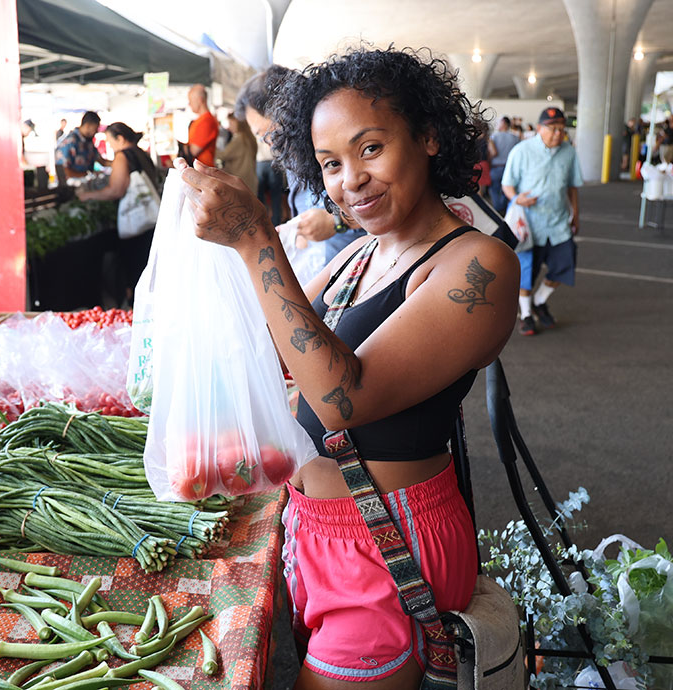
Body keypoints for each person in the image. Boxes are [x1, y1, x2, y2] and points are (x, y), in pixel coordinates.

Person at [176, 47, 519, 688]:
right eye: (331, 163)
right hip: (319, 530)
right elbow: (288, 353)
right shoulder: (359, 255)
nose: (350, 180)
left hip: (390, 548)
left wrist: (257, 240)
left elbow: (340, 395)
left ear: (428, 137)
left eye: (369, 149)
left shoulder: (478, 266)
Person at [235, 65, 367, 263]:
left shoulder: (330, 142)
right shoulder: (293, 157)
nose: (270, 144)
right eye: (263, 138)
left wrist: (336, 221)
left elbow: (381, 201)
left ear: (285, 113)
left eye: (267, 134)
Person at [501, 106, 583, 336]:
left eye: (561, 129)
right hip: (529, 224)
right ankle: (526, 314)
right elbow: (507, 184)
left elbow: (572, 187)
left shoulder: (569, 152)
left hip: (558, 224)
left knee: (564, 264)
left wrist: (576, 214)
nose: (558, 133)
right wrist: (516, 198)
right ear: (539, 128)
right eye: (553, 129)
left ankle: (539, 300)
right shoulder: (522, 151)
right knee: (525, 271)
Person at [76, 122, 161, 302]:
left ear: (120, 139)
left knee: (136, 275)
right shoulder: (141, 154)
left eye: (109, 141)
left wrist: (88, 196)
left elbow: (115, 190)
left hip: (136, 226)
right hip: (151, 221)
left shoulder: (122, 156)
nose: (109, 146)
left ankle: (136, 314)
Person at [55, 111, 105, 181]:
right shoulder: (69, 142)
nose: (96, 132)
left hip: (86, 185)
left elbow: (101, 160)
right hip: (71, 186)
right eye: (95, 129)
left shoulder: (88, 141)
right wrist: (88, 175)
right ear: (87, 125)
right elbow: (64, 171)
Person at [218, 113, 258, 193]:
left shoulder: (239, 138)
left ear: (238, 123)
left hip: (241, 178)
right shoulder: (249, 137)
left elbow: (223, 155)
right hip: (250, 178)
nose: (229, 127)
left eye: (231, 123)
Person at [488, 116, 520, 214]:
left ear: (504, 124)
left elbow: (491, 152)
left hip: (496, 167)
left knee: (494, 189)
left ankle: (498, 209)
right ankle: (505, 210)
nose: (497, 124)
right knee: (508, 189)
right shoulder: (515, 137)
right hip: (510, 169)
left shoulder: (493, 137)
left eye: (499, 122)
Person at [184, 84, 218, 167]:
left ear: (200, 100)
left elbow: (193, 151)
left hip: (204, 170)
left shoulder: (207, 121)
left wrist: (180, 146)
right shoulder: (199, 120)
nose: (189, 104)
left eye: (190, 101)